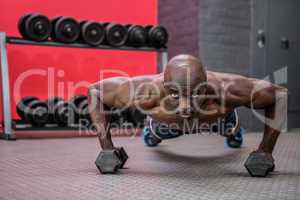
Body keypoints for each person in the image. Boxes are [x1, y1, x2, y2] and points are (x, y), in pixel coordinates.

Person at [88, 54, 287, 176]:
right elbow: (95, 91)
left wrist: (265, 151)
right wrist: (107, 148)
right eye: (176, 94)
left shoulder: (227, 89)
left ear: (205, 85)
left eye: (194, 94)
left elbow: (279, 95)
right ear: (165, 87)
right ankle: (154, 132)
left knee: (229, 127)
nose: (185, 107)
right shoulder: (145, 91)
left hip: (215, 120)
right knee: (155, 134)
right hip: (165, 125)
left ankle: (232, 129)